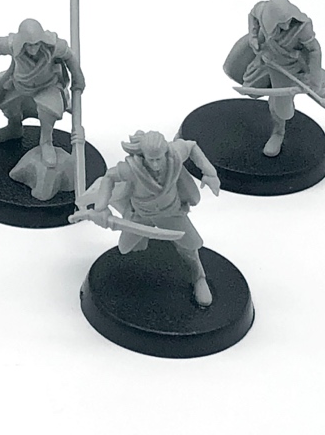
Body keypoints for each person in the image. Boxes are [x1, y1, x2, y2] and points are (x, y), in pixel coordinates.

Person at [77, 130, 220, 307]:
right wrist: (101, 208)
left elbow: (191, 146)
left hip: (171, 213)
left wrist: (210, 172)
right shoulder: (132, 168)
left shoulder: (175, 154)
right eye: (150, 159)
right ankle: (141, 254)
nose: (155, 164)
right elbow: (109, 177)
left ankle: (199, 278)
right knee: (126, 247)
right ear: (143, 155)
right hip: (141, 216)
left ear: (165, 152)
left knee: (190, 246)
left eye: (158, 158)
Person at [223, 0, 324, 157]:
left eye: (288, 22)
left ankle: (278, 132)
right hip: (266, 59)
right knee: (249, 86)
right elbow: (253, 15)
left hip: (286, 66)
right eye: (280, 23)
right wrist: (253, 36)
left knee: (280, 106)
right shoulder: (263, 11)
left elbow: (314, 50)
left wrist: (315, 77)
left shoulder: (302, 28)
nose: (286, 26)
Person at [0, 18, 85, 169]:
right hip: (20, 85)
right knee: (7, 102)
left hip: (47, 86)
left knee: (49, 111)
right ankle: (14, 128)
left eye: (36, 44)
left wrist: (78, 79)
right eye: (29, 45)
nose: (33, 49)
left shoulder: (55, 46)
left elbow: (70, 57)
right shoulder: (11, 44)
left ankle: (46, 142)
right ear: (22, 43)